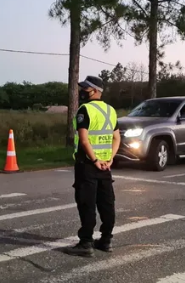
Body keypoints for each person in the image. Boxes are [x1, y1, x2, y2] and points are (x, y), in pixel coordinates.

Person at [64, 75, 121, 257]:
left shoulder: (85, 110)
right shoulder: (110, 110)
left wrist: (95, 160)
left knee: (87, 203)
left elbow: (84, 139)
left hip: (88, 165)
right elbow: (117, 137)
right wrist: (110, 158)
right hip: (106, 165)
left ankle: (86, 243)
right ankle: (106, 240)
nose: (82, 92)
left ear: (96, 91)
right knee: (106, 203)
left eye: (86, 89)